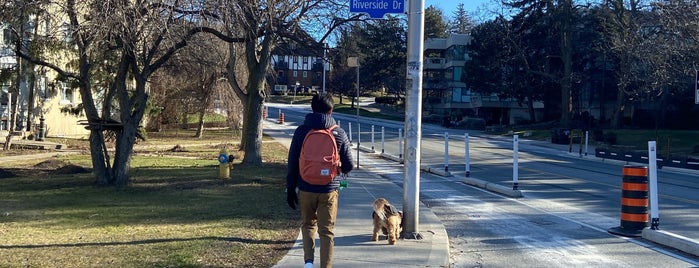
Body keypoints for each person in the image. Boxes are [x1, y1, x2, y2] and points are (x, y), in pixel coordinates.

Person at [286, 92, 354, 268]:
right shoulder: (339, 133)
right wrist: (340, 171)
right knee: (326, 232)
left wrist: (290, 187)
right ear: (331, 111)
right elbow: (349, 165)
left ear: (312, 109)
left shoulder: (301, 131)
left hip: (306, 188)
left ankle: (308, 263)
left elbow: (292, 162)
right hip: (329, 189)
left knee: (308, 225)